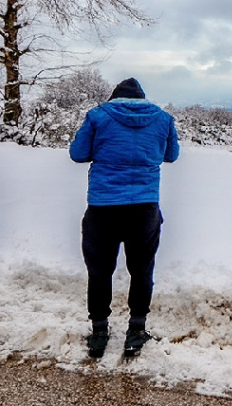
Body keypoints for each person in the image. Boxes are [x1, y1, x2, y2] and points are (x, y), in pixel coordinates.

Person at [69, 77, 179, 358]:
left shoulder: (97, 116)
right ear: (142, 98)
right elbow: (171, 155)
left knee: (100, 269)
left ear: (114, 97)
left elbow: (78, 153)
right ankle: (136, 330)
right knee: (142, 269)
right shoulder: (163, 119)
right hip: (144, 206)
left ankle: (99, 332)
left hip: (103, 206)